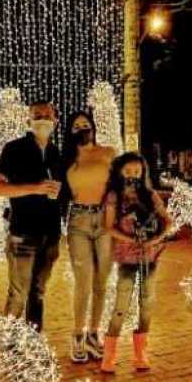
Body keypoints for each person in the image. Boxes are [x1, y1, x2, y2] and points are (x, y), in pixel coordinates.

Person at [0, 101, 63, 332]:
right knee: (19, 293)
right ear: (28, 121)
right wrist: (35, 188)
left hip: (51, 234)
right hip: (22, 233)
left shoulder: (56, 152)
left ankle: (33, 341)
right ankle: (12, 344)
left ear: (55, 121)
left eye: (47, 116)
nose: (42, 119)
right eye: (37, 115)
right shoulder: (14, 149)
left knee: (38, 292)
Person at [100, 152, 171, 373]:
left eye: (138, 171)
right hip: (127, 258)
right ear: (120, 172)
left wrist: (154, 240)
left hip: (150, 256)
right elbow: (109, 227)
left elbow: (167, 222)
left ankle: (140, 354)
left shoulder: (149, 195)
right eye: (128, 171)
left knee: (147, 302)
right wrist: (131, 239)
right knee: (121, 304)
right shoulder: (114, 196)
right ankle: (109, 356)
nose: (133, 175)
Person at [63, 111, 115, 363]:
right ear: (71, 132)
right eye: (76, 126)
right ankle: (77, 335)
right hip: (79, 220)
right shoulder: (67, 158)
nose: (82, 128)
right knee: (83, 282)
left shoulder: (108, 153)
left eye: (85, 124)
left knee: (102, 282)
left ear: (93, 127)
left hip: (105, 220)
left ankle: (94, 334)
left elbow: (122, 185)